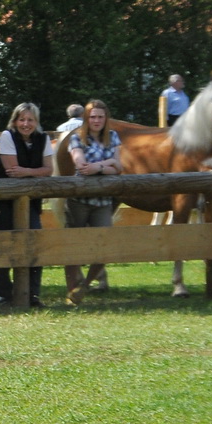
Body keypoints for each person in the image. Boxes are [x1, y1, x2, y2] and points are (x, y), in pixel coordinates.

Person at [0, 102, 51, 306]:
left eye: (30, 119)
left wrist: (27, 172)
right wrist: (34, 171)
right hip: (2, 203)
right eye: (22, 119)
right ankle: (5, 295)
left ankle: (32, 294)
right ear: (15, 120)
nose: (26, 123)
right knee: (4, 247)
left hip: (31, 202)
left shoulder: (43, 138)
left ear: (36, 122)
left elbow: (49, 169)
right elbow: (11, 169)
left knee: (34, 244)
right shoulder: (7, 136)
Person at [65, 98, 121, 304]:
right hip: (79, 199)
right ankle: (72, 290)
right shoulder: (77, 137)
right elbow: (81, 165)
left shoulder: (113, 136)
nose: (97, 120)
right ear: (86, 118)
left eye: (100, 116)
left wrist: (99, 167)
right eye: (93, 117)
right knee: (74, 244)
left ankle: (85, 285)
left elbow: (119, 167)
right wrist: (108, 164)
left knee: (104, 245)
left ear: (106, 118)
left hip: (103, 201)